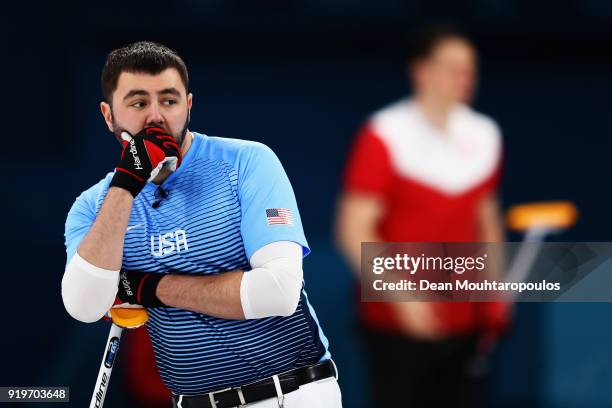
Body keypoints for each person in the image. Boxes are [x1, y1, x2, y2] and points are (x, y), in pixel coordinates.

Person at [61, 41, 342, 408]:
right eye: (138, 103)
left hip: (289, 394)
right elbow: (84, 306)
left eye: (169, 100)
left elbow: (278, 292)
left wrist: (151, 288)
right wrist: (127, 184)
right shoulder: (92, 206)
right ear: (108, 115)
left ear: (188, 105)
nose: (156, 117)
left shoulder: (247, 162)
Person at [336, 26, 509, 407]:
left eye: (470, 68)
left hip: (465, 320)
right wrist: (403, 298)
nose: (464, 78)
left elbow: (487, 220)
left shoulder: (486, 135)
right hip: (396, 324)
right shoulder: (384, 134)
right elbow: (353, 229)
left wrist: (496, 287)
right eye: (452, 67)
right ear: (422, 72)